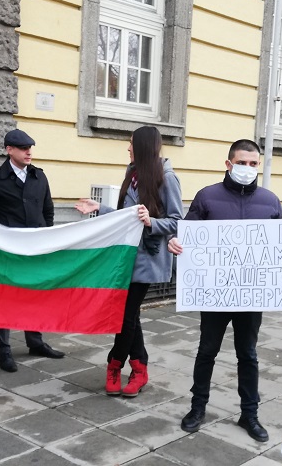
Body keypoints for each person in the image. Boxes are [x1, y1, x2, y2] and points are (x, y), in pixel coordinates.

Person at [167, 139, 282, 442]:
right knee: (206, 351)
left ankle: (250, 414)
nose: (248, 169)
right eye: (242, 163)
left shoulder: (270, 200)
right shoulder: (207, 197)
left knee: (247, 354)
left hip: (252, 295)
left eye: (253, 164)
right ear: (228, 164)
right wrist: (174, 241)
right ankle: (198, 408)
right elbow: (188, 234)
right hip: (215, 293)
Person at [75, 126, 183, 398]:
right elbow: (127, 215)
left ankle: (114, 364)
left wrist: (152, 222)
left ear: (144, 147)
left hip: (148, 258)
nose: (128, 148)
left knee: (125, 313)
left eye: (131, 143)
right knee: (129, 314)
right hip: (125, 257)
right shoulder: (132, 173)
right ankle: (139, 369)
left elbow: (178, 221)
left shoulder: (167, 178)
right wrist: (100, 208)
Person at [0, 129, 65, 372]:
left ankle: (35, 342)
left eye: (30, 148)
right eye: (23, 148)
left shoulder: (39, 177)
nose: (29, 152)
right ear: (9, 150)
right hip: (8, 249)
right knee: (4, 299)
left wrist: (47, 240)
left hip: (35, 247)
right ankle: (3, 351)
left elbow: (48, 211)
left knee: (34, 295)